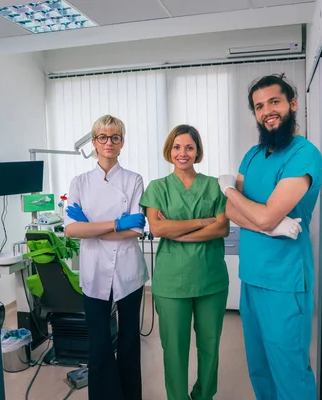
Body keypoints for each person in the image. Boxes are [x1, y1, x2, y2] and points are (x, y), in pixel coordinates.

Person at [219, 73, 322, 400]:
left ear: (292, 104)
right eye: (259, 106)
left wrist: (229, 189)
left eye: (274, 101)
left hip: (285, 280)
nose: (267, 111)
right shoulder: (253, 154)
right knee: (260, 369)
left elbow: (254, 210)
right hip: (251, 276)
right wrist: (270, 226)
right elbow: (230, 212)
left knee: (290, 373)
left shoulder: (303, 155)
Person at [140, 124, 230, 400]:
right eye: (177, 147)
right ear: (169, 150)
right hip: (172, 282)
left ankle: (204, 395)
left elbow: (222, 229)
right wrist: (203, 222)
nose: (183, 153)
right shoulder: (158, 188)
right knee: (175, 349)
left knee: (210, 345)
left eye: (189, 147)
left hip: (210, 279)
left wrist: (178, 231)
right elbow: (158, 229)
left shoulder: (215, 186)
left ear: (197, 151)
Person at [64, 114, 148, 400]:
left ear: (122, 143)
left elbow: (136, 229)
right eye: (102, 137)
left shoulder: (134, 179)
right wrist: (116, 224)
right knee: (99, 344)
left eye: (115, 137)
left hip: (127, 271)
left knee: (128, 341)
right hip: (94, 270)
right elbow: (71, 231)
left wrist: (91, 226)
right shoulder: (79, 182)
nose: (108, 142)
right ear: (94, 142)